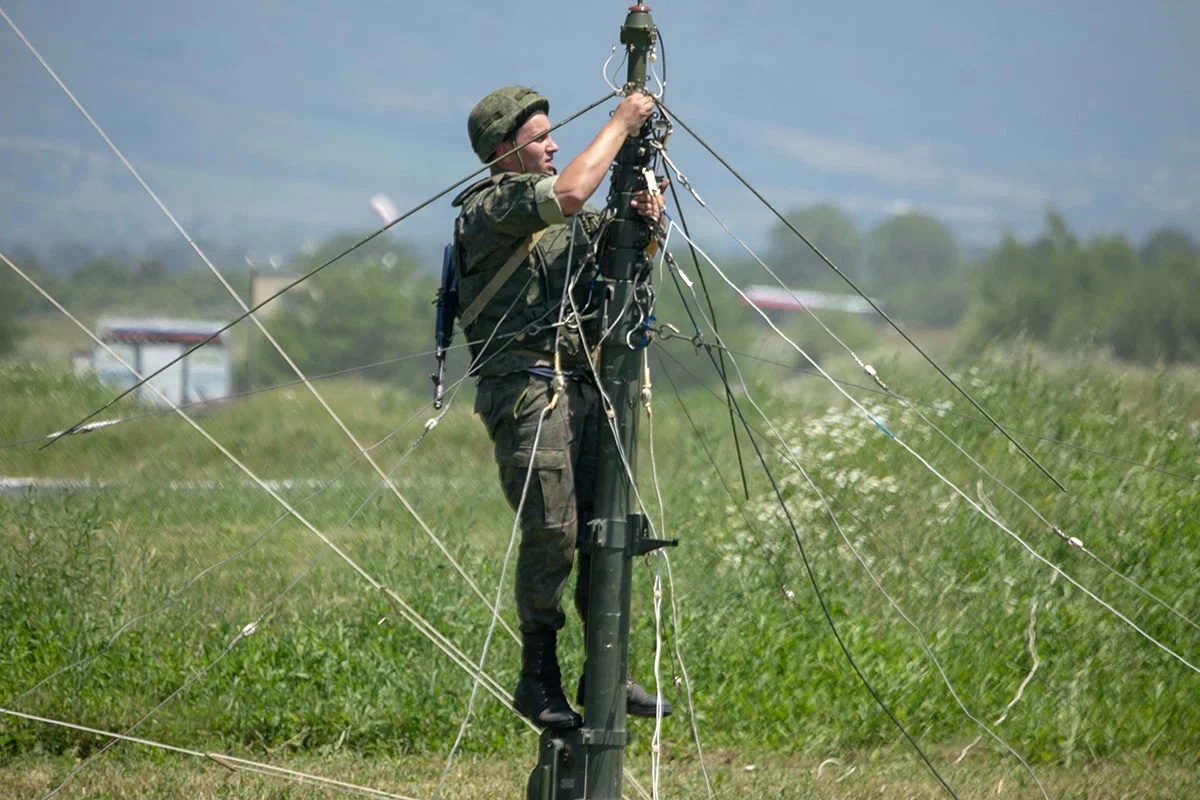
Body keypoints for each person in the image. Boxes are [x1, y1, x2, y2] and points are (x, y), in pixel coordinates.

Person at [452, 85, 671, 730]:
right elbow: (573, 191)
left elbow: (604, 241)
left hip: (581, 385)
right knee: (554, 531)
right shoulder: (492, 207)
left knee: (608, 527)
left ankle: (608, 671)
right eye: (540, 137)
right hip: (525, 391)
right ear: (503, 152)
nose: (552, 145)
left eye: (553, 135)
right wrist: (621, 121)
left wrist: (641, 218)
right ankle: (537, 676)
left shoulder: (553, 222)